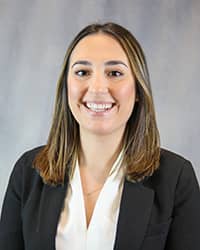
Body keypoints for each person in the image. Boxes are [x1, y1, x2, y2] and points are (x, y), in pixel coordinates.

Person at [0, 22, 200, 250]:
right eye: (82, 72)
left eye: (114, 73)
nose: (96, 87)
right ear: (67, 86)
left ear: (138, 90)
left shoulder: (176, 179)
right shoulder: (28, 172)